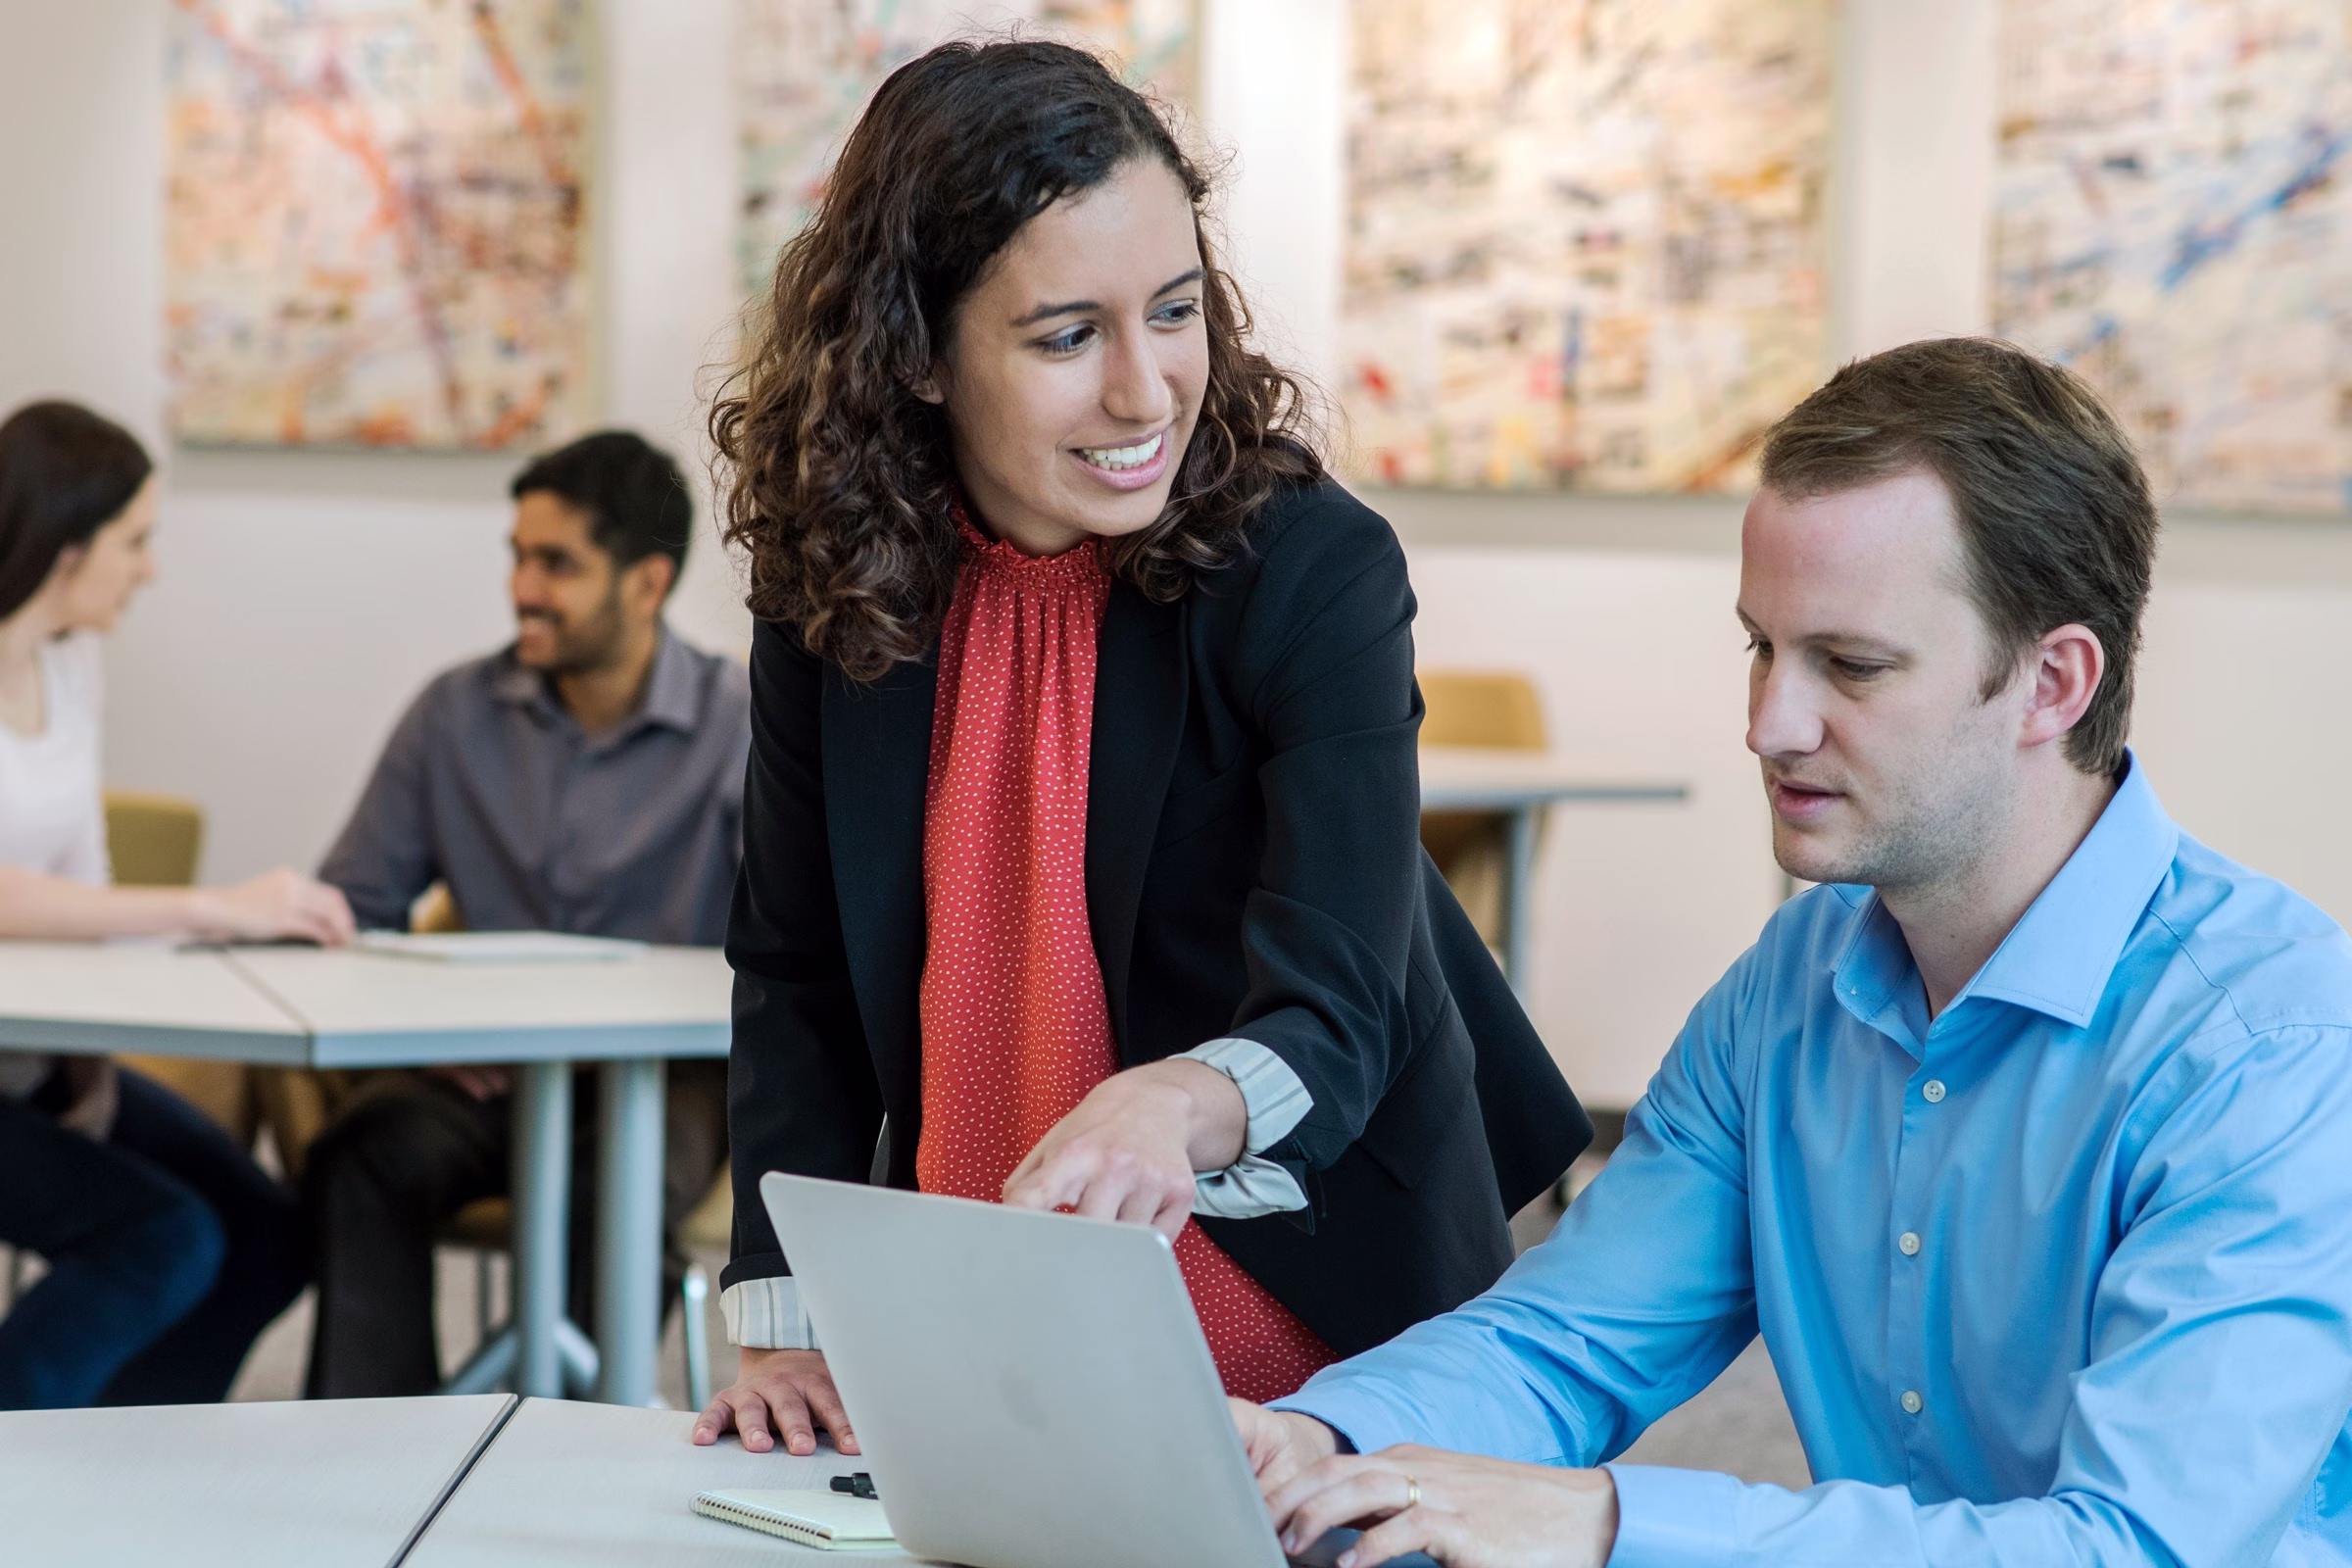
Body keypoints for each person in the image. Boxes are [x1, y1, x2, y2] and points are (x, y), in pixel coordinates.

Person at [1234, 338, 2352, 1568]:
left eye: (1851, 666)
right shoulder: (1793, 985)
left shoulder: (2271, 1051)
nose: (1768, 724)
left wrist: (1613, 1521)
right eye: (1762, 647)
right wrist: (1323, 1440)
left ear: (2053, 683)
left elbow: (2138, 1549)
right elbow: (1570, 1335)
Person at [691, 39, 1590, 1461]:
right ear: (914, 351)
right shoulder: (838, 581)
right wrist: (787, 1316)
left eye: (1174, 312)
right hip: (994, 1328)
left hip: (1319, 1339)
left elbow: (1343, 1004)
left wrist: (1182, 1100)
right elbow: (796, 966)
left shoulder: (1313, 570)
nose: (1145, 392)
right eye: (1066, 336)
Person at [300, 429, 748, 1397]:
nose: (523, 589)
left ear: (646, 582)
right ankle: (373, 1462)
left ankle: (557, 1455)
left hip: (664, 1081)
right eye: (518, 557)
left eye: (557, 564)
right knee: (361, 1155)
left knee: (612, 1192)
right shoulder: (453, 716)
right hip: (486, 1072)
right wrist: (421, 1033)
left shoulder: (739, 725)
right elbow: (352, 911)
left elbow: (791, 951)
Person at [0, 399, 339, 1407]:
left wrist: (87, 1056)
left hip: (29, 1059)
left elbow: (84, 887)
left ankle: (117, 1468)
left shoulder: (71, 661)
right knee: (165, 1236)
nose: (148, 569)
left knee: (269, 1233)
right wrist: (211, 908)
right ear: (67, 544)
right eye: (136, 541)